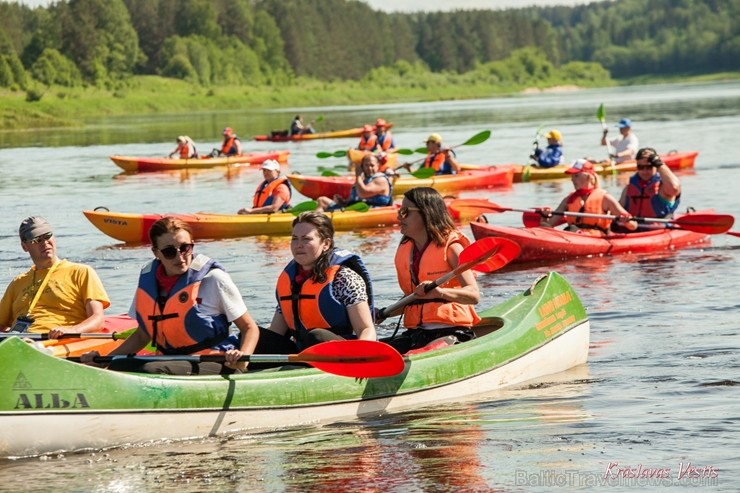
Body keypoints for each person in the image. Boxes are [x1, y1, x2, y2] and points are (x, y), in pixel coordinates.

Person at [80, 217, 259, 375]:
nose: (180, 257)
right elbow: (143, 335)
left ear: (192, 246)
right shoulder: (148, 284)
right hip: (169, 360)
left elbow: (249, 327)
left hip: (214, 360)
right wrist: (105, 361)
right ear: (156, 253)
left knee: (150, 370)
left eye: (185, 248)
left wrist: (242, 359)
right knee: (121, 365)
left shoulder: (214, 279)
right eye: (169, 251)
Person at [378, 187, 480, 354]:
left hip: (451, 332)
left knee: (413, 354)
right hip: (417, 333)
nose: (398, 217)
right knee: (378, 353)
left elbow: (474, 295)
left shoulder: (452, 248)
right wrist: (383, 313)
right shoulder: (407, 249)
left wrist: (440, 293)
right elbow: (414, 298)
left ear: (426, 213)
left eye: (405, 212)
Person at [257, 211, 377, 352]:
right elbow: (276, 333)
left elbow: (366, 329)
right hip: (301, 353)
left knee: (316, 336)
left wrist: (362, 355)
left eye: (306, 239)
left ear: (326, 244)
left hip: (341, 352)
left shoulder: (344, 278)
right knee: (255, 336)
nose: (298, 245)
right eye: (294, 239)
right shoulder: (290, 281)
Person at [0, 216, 110, 339]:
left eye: (47, 236)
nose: (45, 242)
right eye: (37, 239)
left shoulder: (81, 272)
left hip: (55, 341)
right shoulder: (18, 282)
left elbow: (97, 319)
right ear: (24, 246)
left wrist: (72, 330)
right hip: (18, 341)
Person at [539, 159, 637, 235]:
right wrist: (544, 217)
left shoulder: (605, 198)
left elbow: (633, 226)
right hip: (573, 235)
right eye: (572, 176)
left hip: (597, 239)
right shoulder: (568, 200)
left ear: (588, 177)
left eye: (576, 176)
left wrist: (626, 221)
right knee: (571, 229)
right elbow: (548, 225)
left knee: (571, 229)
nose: (572, 180)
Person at [618, 147, 681, 224]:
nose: (644, 171)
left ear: (656, 166)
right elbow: (618, 209)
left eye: (649, 167)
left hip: (657, 229)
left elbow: (674, 188)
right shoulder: (629, 187)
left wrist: (659, 163)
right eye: (641, 167)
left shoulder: (663, 186)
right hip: (631, 228)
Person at [315, 154, 393, 212]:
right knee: (321, 200)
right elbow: (355, 200)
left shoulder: (381, 180)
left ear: (378, 166)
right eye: (366, 165)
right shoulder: (363, 180)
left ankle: (317, 223)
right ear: (362, 167)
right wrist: (344, 202)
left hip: (372, 212)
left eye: (372, 165)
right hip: (354, 210)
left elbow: (363, 193)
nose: (369, 168)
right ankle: (315, 221)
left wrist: (358, 176)